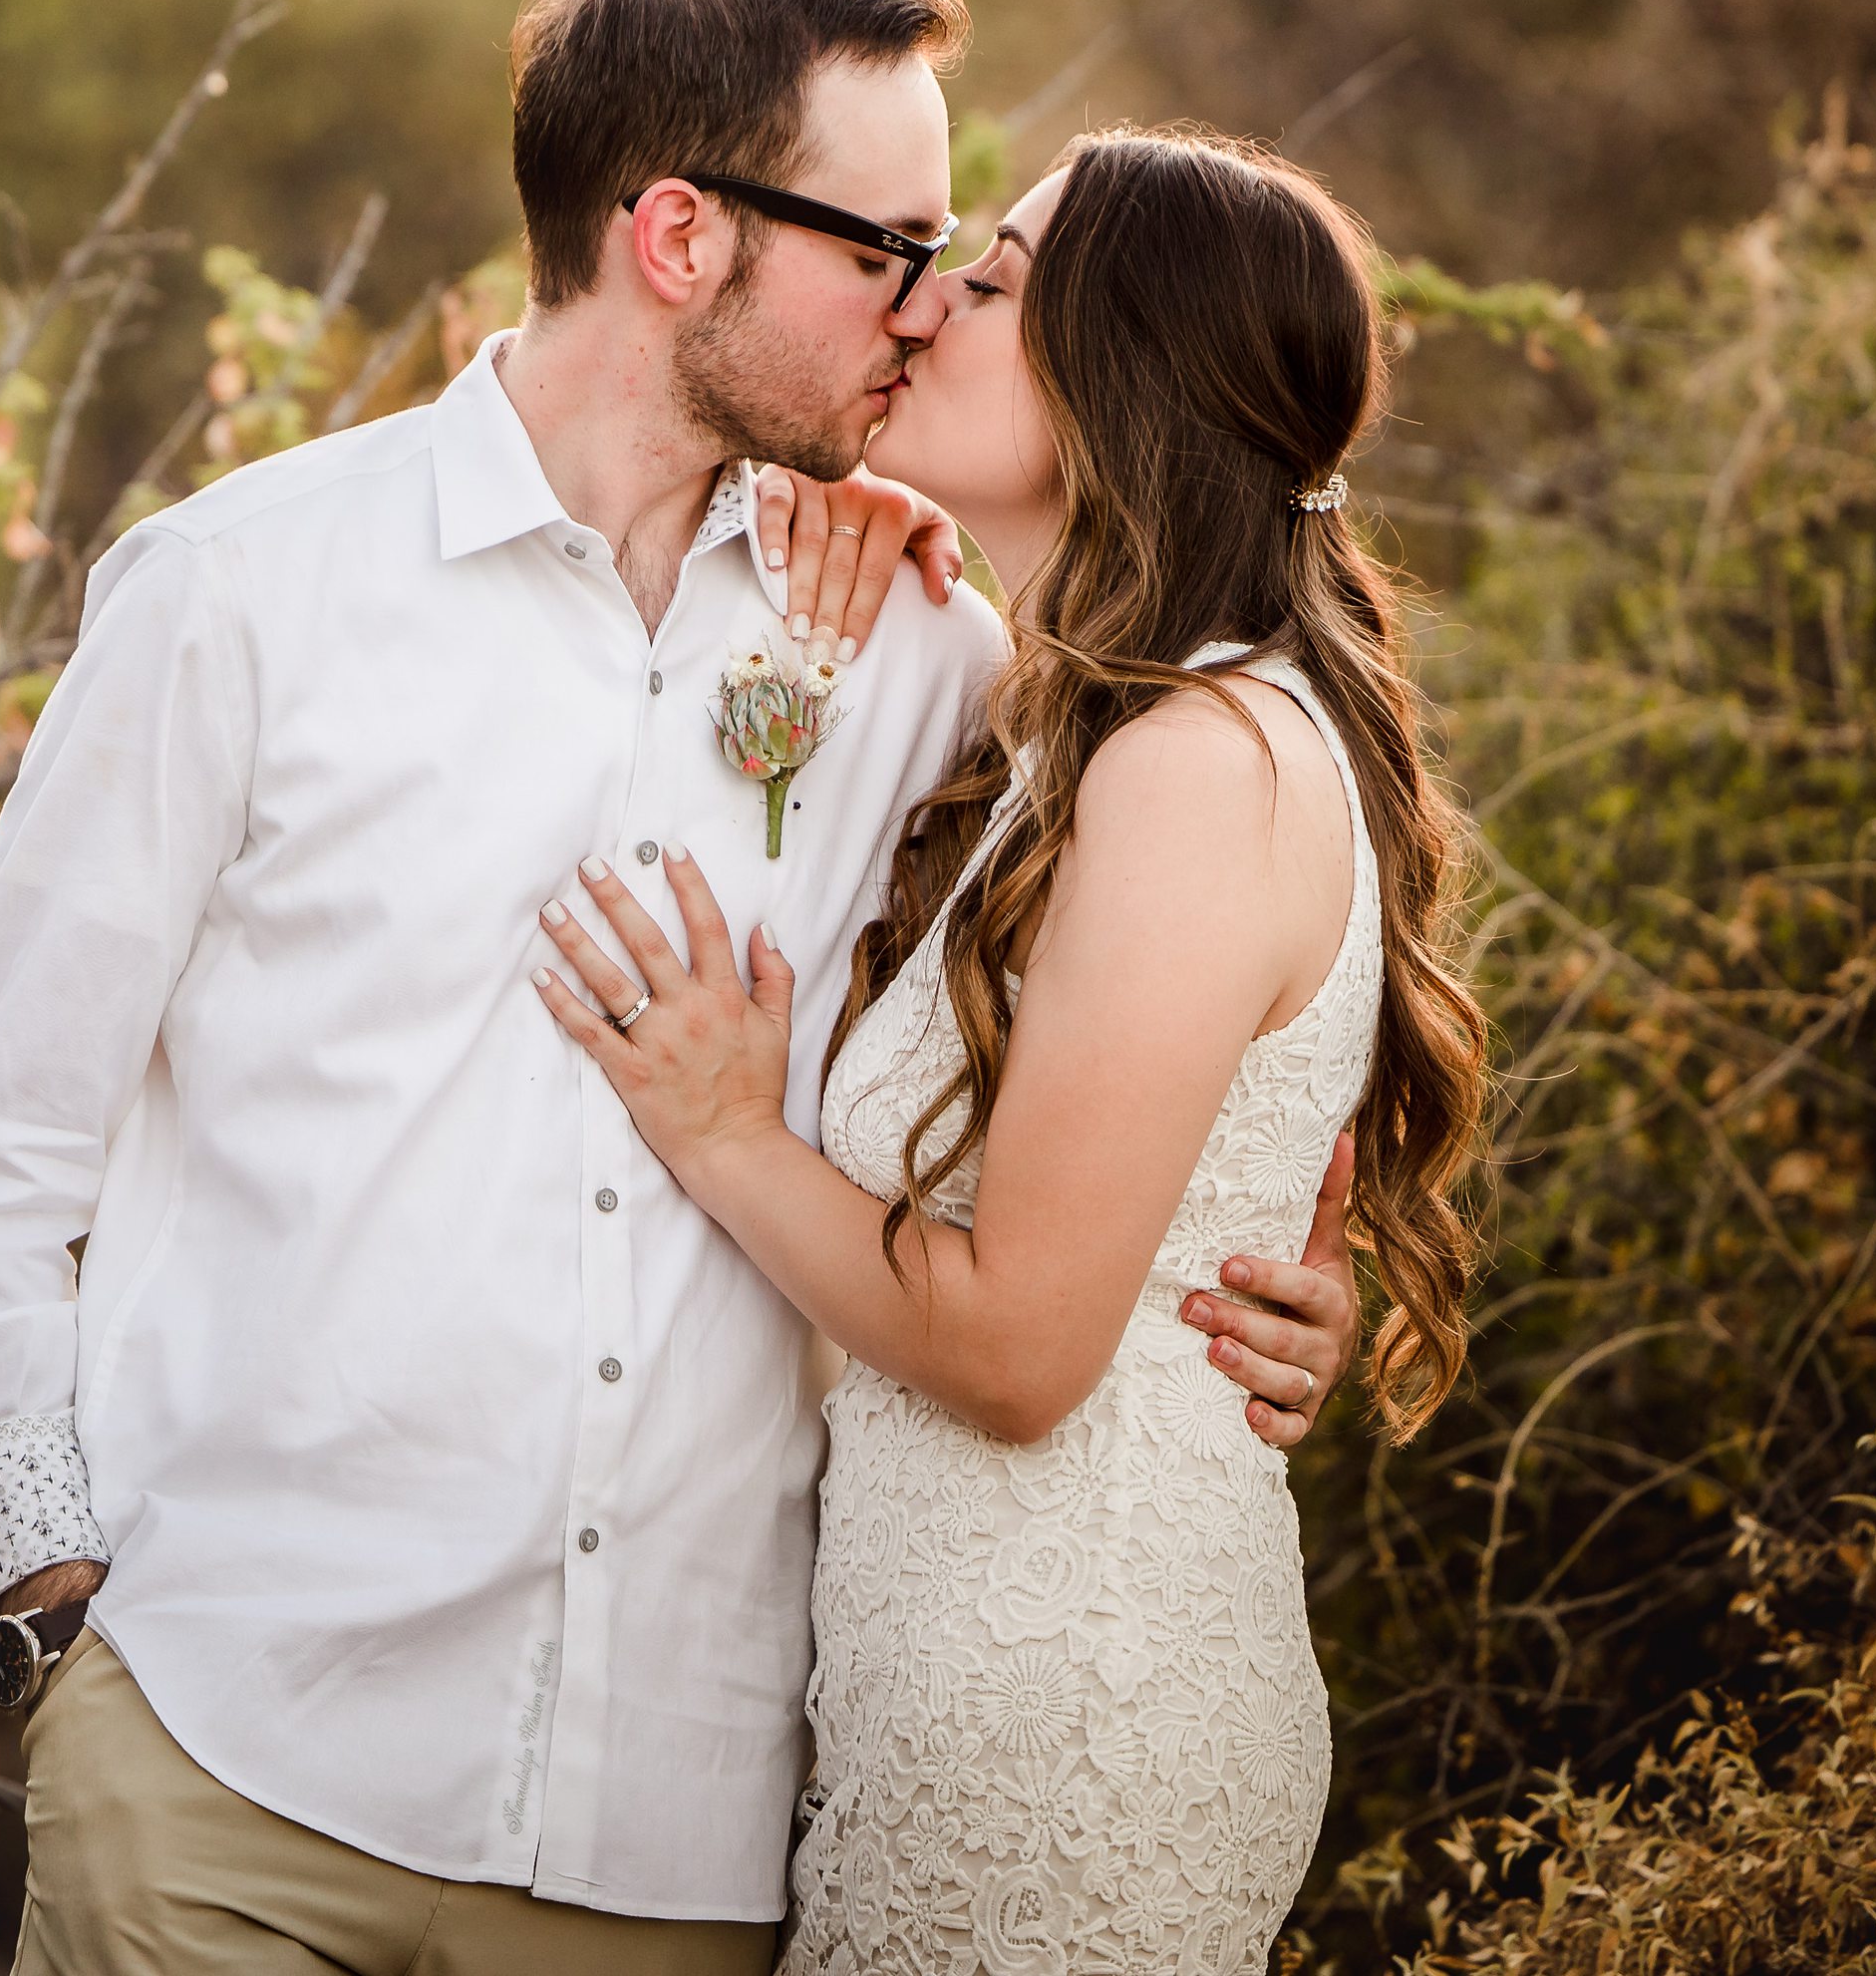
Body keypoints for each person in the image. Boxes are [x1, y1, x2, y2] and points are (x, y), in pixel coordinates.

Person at [0, 0, 1362, 1972]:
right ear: (678, 236)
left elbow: (1194, 970)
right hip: (227, 1770)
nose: (924, 315)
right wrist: (61, 1626)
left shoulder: (927, 653)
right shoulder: (242, 597)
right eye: (888, 249)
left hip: (677, 1843)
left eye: (956, 265)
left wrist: (1276, 1263)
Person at [535, 127, 1489, 1976]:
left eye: (991, 275)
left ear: (1121, 368)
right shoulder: (1085, 734)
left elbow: (1021, 1349)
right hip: (969, 1702)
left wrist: (727, 1132)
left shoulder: (1200, 767)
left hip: (1073, 1728)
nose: (925, 297)